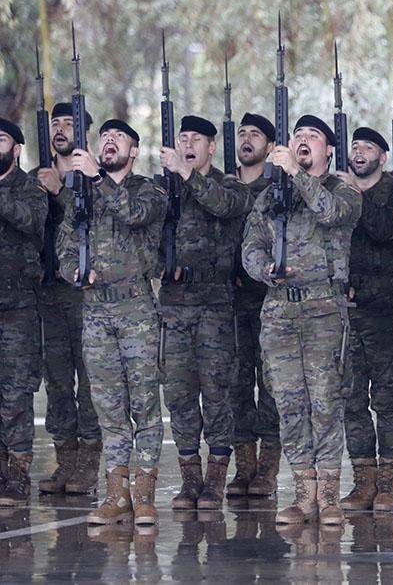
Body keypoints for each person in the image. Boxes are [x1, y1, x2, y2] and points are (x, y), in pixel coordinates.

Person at [242, 114, 362, 525]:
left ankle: (328, 496)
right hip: (279, 308)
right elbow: (251, 244)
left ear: (329, 149)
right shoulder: (271, 195)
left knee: (325, 400)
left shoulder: (343, 190)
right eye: (298, 136)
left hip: (324, 309)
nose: (304, 141)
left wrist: (296, 174)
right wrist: (264, 270)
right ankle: (303, 494)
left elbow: (331, 214)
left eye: (313, 136)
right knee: (289, 403)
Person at [57, 119, 167, 525]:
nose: (109, 142)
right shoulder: (84, 196)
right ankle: (117, 494)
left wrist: (97, 180)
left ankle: (145, 493)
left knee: (144, 405)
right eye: (104, 137)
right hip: (96, 311)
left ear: (133, 151)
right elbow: (65, 245)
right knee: (108, 407)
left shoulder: (148, 191)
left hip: (136, 309)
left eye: (118, 137)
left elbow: (136, 215)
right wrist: (74, 272)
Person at [158, 115, 254, 511]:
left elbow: (225, 206)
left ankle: (216, 480)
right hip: (173, 304)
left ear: (212, 147)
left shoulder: (229, 185)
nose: (188, 144)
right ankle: (190, 479)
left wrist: (187, 175)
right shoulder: (162, 187)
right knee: (179, 394)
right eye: (182, 138)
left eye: (196, 138)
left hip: (215, 304)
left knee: (218, 393)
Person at [339, 126, 393, 513]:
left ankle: (388, 483)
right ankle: (363, 482)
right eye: (354, 146)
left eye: (368, 147)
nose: (360, 152)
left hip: (386, 312)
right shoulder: (338, 192)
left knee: (386, 400)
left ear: (382, 157)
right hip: (347, 313)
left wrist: (354, 192)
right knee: (351, 400)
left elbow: (384, 231)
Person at [32, 103, 102, 495]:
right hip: (47, 295)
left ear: (85, 133)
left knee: (89, 381)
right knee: (57, 381)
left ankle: (89, 466)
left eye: (69, 123)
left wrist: (59, 193)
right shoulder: (35, 178)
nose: (60, 130)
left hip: (83, 295)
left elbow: (89, 223)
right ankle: (66, 462)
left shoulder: (96, 179)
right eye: (55, 124)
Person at [227, 113, 281, 498]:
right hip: (230, 301)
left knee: (273, 386)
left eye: (255, 135)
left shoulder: (277, 187)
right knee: (236, 385)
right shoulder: (224, 186)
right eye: (242, 134)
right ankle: (243, 467)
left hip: (269, 299)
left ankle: (267, 470)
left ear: (269, 145)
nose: (247, 140)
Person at [0, 118, 47, 507]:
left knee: (15, 392)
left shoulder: (31, 188)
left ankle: (17, 472)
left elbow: (32, 222)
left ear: (16, 149)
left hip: (18, 307)